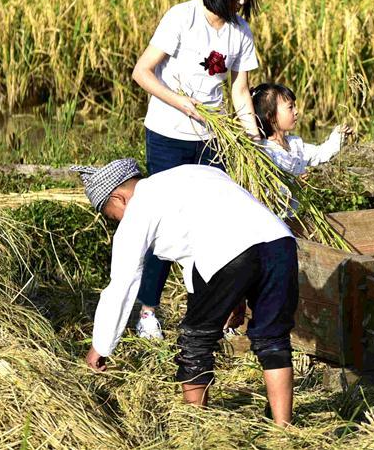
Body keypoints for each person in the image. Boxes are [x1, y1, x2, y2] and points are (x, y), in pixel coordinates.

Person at [72, 159, 298, 425]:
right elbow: (231, 233)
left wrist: (101, 345)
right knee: (273, 339)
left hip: (229, 252)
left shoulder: (139, 208)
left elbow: (123, 282)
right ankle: (284, 430)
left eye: (112, 216)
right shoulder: (194, 173)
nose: (117, 221)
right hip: (280, 242)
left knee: (196, 341)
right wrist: (235, 297)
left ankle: (195, 427)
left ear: (118, 198)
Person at [130, 0, 263, 340]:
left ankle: (207, 313)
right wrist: (183, 104)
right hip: (169, 136)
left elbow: (240, 91)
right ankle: (148, 311)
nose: (241, 2)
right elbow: (143, 72)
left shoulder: (240, 33)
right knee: (164, 222)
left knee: (211, 228)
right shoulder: (182, 17)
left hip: (212, 140)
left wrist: (253, 140)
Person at [251, 83, 352, 218]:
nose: (296, 111)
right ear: (271, 117)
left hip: (295, 218)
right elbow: (269, 193)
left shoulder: (295, 144)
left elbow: (320, 153)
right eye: (290, 107)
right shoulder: (265, 151)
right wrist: (295, 186)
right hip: (276, 220)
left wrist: (338, 135)